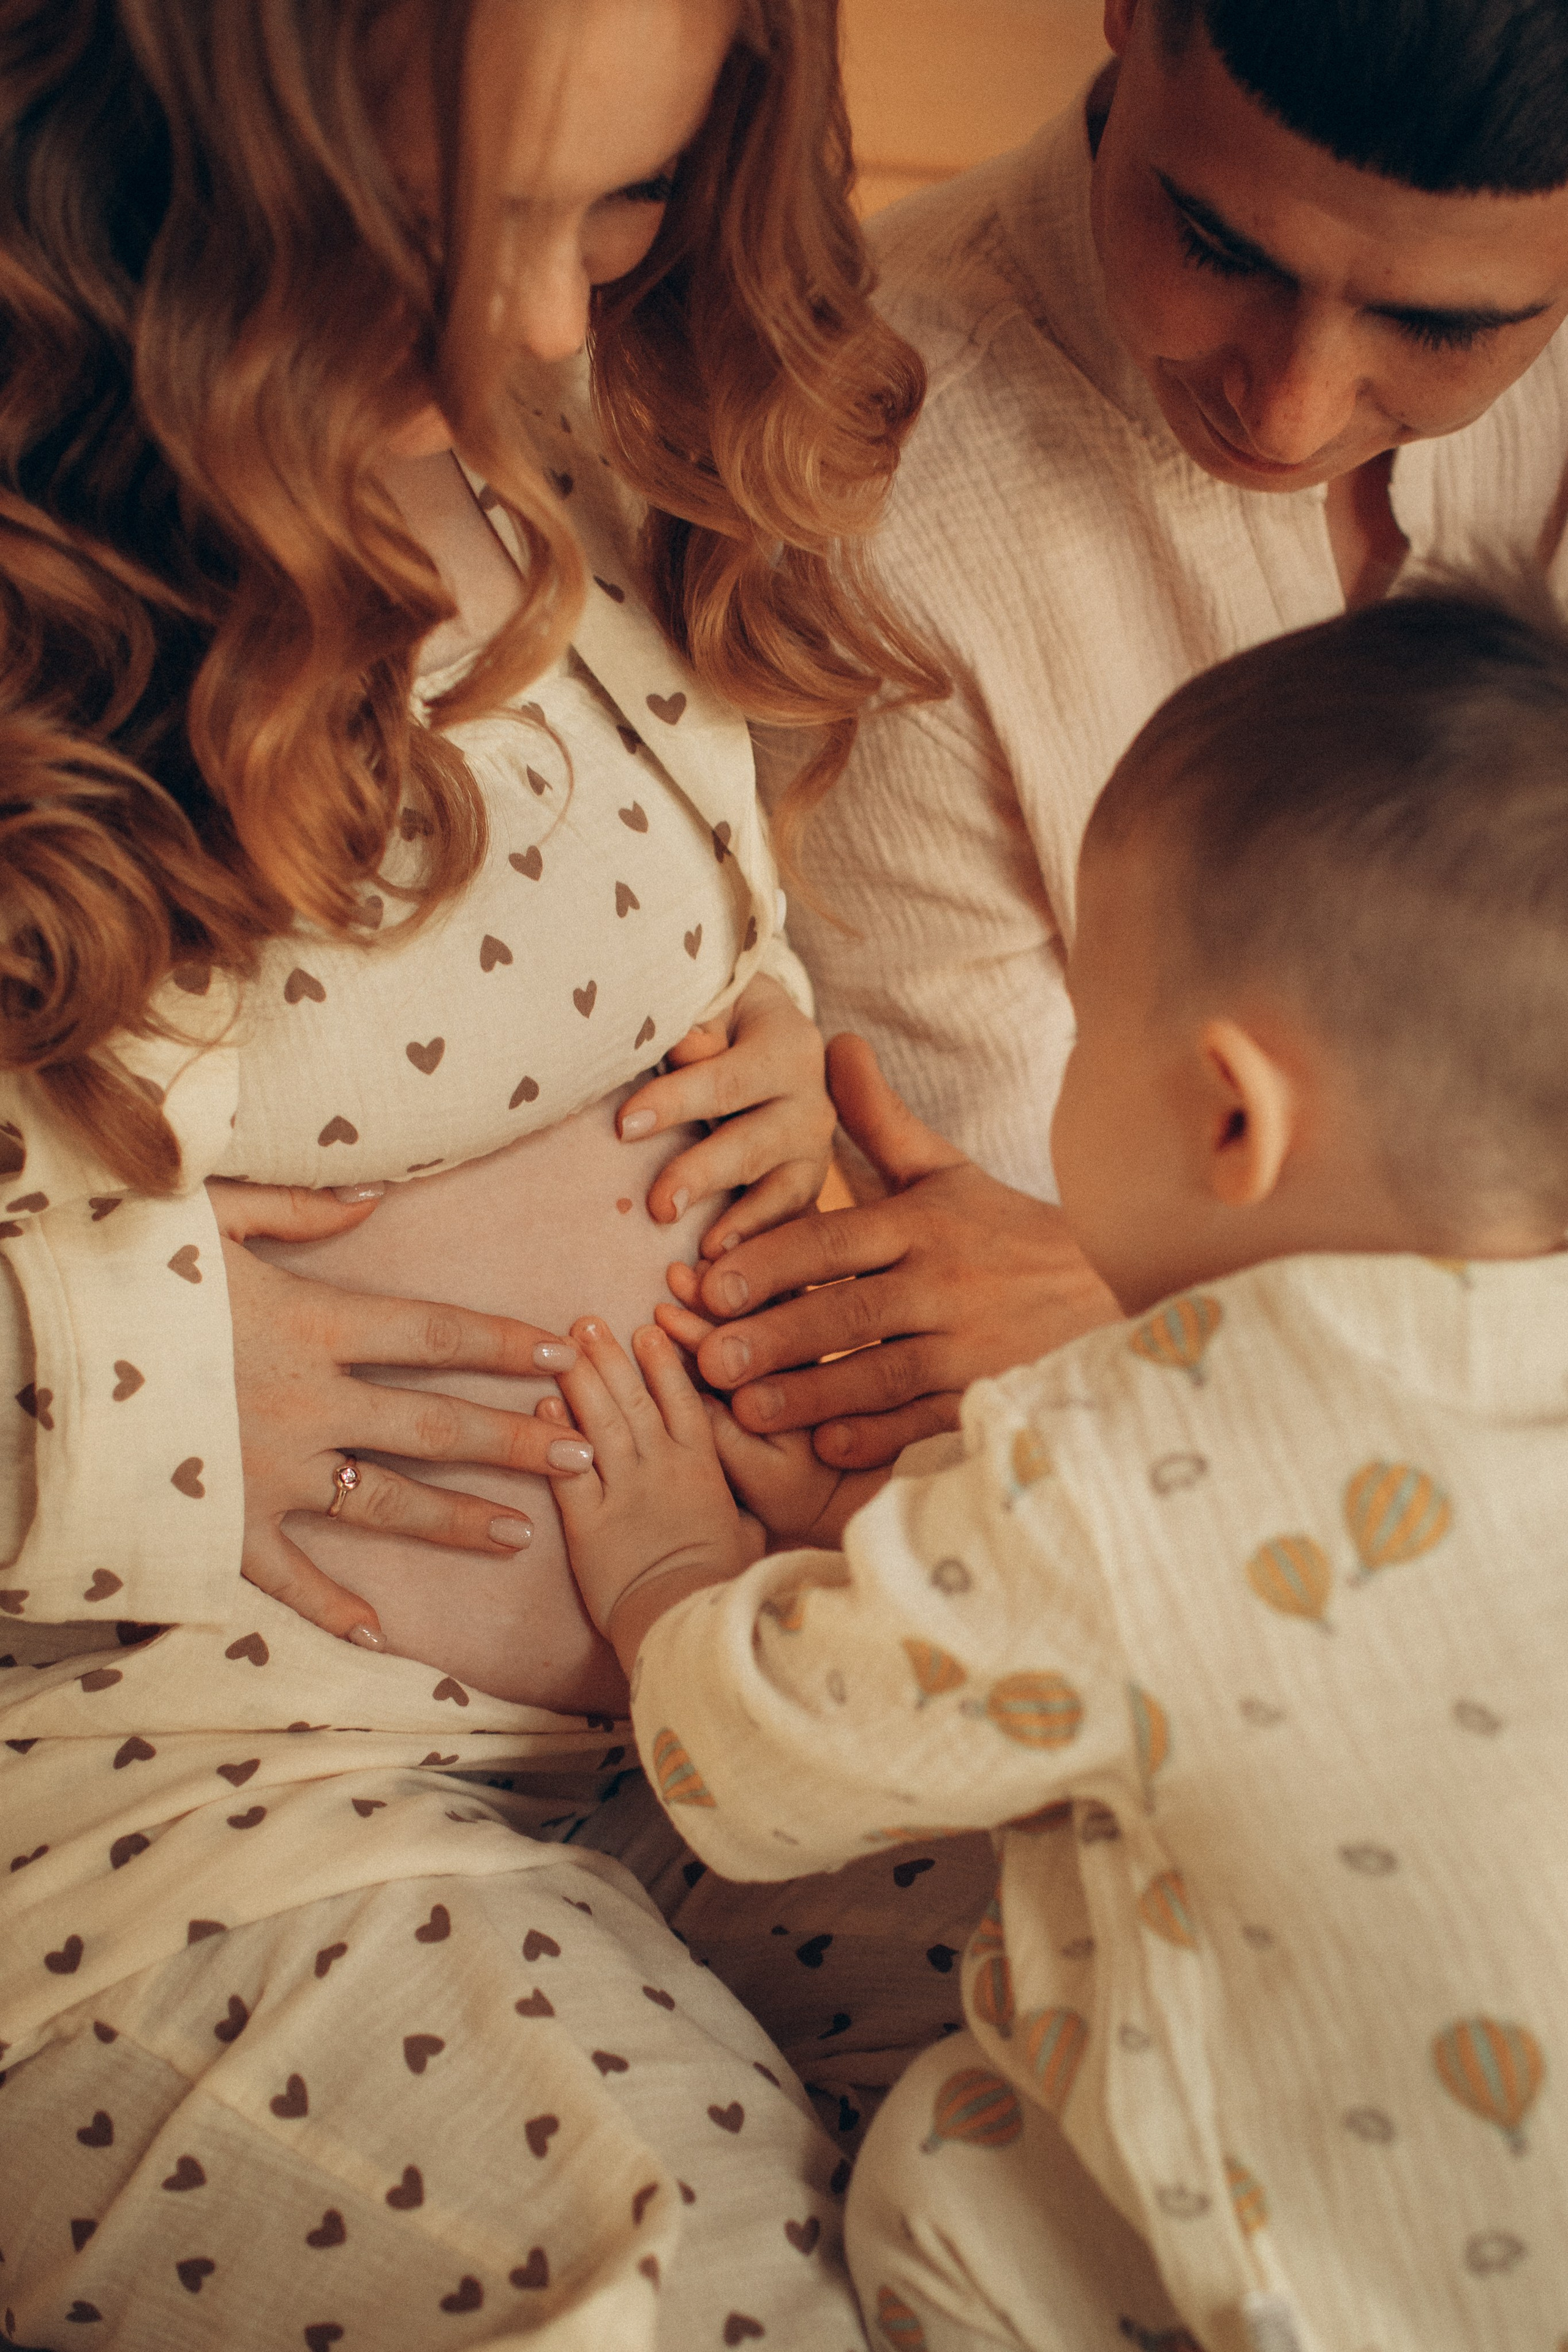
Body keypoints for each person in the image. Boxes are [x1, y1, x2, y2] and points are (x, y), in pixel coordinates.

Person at [0, 3, 992, 2345]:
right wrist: (136, 1374)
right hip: (203, 1808)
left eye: (617, 208)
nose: (546, 317)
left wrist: (769, 1051)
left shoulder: (565, 450)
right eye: (453, 242)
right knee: (697, 2289)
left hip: (750, 1682)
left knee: (1259, 2046)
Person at [550, 579, 1568, 2350]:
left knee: (950, 2162)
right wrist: (918, 1538)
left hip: (1324, 2287)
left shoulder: (1114, 1466)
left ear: (1230, 1117)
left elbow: (763, 1767)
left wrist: (671, 1583)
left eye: (1096, 1017)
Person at [666, 0, 1568, 1477]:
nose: (1287, 412)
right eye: (1218, 248)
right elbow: (984, 1237)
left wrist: (1120, 1306)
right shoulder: (852, 475)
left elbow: (1069, 1267)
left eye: (1445, 324)